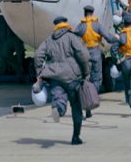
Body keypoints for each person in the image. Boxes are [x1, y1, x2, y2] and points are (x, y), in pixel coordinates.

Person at [33, 16, 90, 145]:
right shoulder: (72, 37)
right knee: (76, 107)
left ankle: (58, 109)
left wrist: (39, 72)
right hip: (72, 78)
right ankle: (76, 137)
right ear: (66, 24)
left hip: (54, 77)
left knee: (59, 98)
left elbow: (38, 55)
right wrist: (86, 72)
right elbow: (84, 55)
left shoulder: (49, 40)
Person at [73, 5, 118, 118]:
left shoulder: (81, 26)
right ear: (92, 13)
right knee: (97, 79)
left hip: (85, 54)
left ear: (85, 14)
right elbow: (108, 37)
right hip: (96, 53)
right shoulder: (97, 25)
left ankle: (84, 101)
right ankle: (91, 99)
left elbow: (73, 35)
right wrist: (116, 38)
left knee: (84, 79)